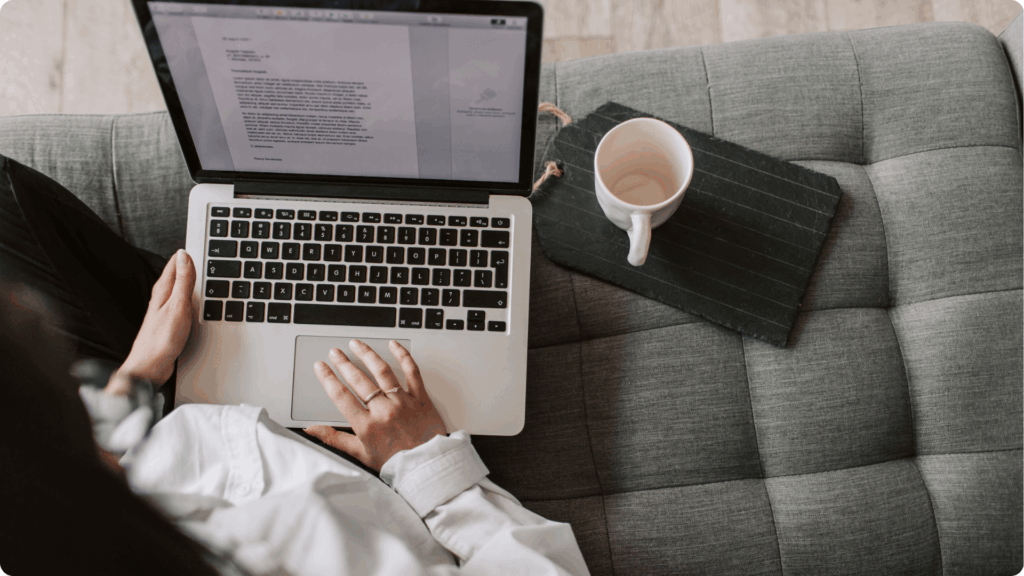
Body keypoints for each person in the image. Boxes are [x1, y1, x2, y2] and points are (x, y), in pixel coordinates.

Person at [0, 154, 589, 575]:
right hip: (369, 469)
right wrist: (425, 462)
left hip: (152, 430)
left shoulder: (47, 528)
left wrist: (137, 378)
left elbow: (51, 486)